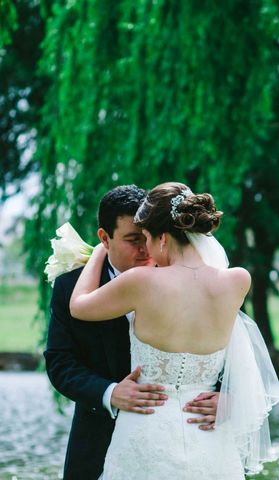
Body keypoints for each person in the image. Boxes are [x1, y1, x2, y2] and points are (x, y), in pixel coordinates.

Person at [68, 182, 279, 479]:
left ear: (163, 239)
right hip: (207, 435)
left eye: (147, 239)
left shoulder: (142, 282)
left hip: (145, 432)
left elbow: (79, 306)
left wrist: (96, 255)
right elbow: (240, 356)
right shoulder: (236, 281)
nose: (147, 250)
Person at [45, 185, 221, 480]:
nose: (145, 250)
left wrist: (227, 396)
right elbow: (60, 363)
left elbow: (230, 344)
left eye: (148, 237)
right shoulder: (70, 287)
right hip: (98, 442)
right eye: (132, 240)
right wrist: (110, 392)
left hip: (187, 441)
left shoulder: (198, 280)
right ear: (104, 238)